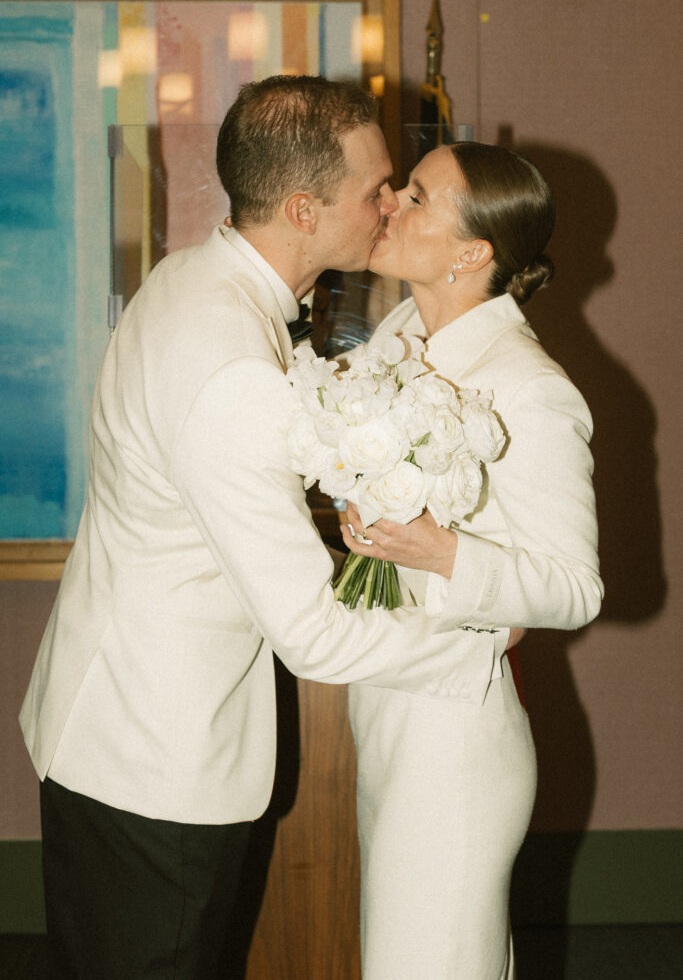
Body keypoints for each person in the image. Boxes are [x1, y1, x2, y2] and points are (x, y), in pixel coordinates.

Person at [19, 79, 518, 980]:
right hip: (152, 765)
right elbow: (311, 637)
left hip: (108, 725)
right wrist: (474, 643)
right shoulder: (229, 365)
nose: (391, 203)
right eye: (376, 189)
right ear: (301, 208)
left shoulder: (189, 278)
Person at [341, 141, 603, 979]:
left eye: (415, 197)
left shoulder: (529, 387)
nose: (388, 205)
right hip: (386, 714)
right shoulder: (394, 335)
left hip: (453, 738)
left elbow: (574, 588)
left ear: (472, 253)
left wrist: (444, 552)